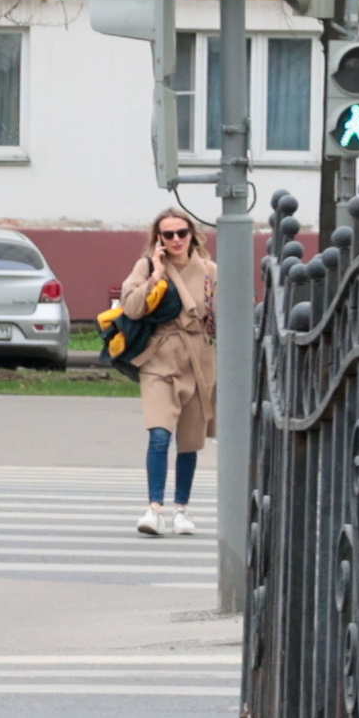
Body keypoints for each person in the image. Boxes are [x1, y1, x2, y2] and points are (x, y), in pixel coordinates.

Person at [122, 208, 216, 537]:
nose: (176, 239)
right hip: (158, 358)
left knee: (189, 441)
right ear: (158, 238)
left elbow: (223, 312)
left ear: (192, 234)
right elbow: (131, 307)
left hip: (197, 359)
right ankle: (154, 509)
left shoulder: (208, 269)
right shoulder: (147, 265)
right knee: (159, 434)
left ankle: (181, 509)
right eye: (168, 234)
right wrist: (157, 274)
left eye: (182, 233)